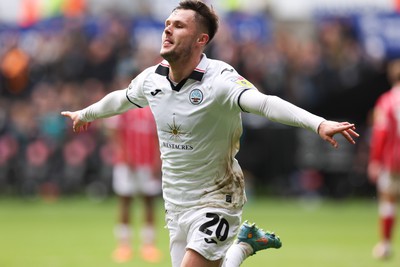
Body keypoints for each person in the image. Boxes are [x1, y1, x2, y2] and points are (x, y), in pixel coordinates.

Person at [62, 1, 359, 266]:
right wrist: (85, 114)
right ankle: (242, 246)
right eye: (167, 24)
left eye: (179, 26)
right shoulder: (152, 78)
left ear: (200, 40)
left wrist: (318, 123)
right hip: (176, 202)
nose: (168, 30)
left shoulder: (220, 80)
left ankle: (241, 245)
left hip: (218, 196)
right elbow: (122, 99)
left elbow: (266, 104)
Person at [106, 107, 162, 263]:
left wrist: (158, 159)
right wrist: (123, 153)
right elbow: (113, 130)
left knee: (149, 201)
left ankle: (149, 246)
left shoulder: (153, 108)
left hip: (148, 162)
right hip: (126, 164)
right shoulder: (124, 106)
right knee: (125, 201)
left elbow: (158, 135)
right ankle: (124, 246)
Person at [368, 58, 400, 260]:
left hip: (394, 159)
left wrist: (376, 159)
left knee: (388, 200)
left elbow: (381, 133)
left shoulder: (387, 100)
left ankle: (385, 245)